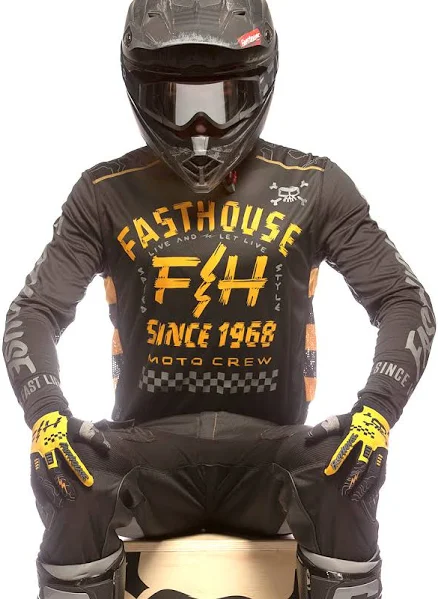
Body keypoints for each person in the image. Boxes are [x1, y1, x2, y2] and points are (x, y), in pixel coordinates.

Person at [2, 1, 435, 598]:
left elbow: (402, 299)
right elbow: (34, 312)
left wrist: (377, 412)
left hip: (274, 456)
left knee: (349, 470)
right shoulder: (102, 193)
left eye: (221, 99)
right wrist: (46, 414)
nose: (199, 128)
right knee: (67, 474)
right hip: (144, 455)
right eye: (175, 103)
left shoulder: (314, 185)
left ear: (259, 84)